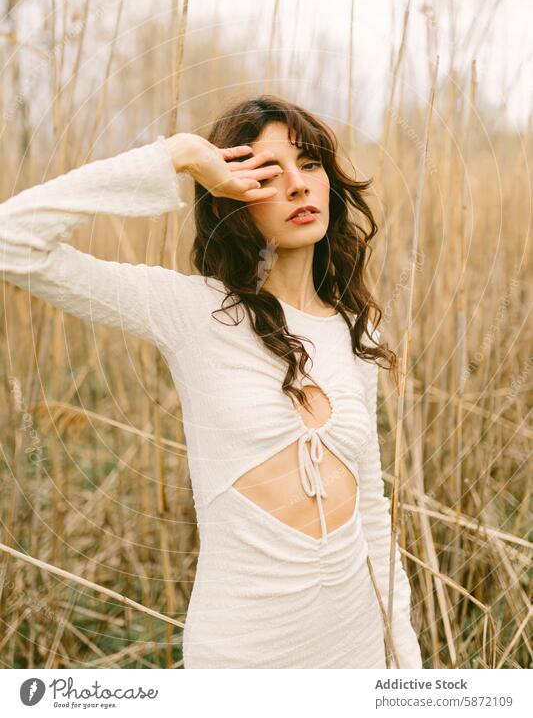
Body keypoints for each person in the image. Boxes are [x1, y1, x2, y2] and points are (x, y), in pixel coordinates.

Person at [0, 94, 423, 669]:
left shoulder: (356, 328)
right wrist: (178, 156)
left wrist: (406, 667)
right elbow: (12, 243)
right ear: (231, 193)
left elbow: (373, 510)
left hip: (355, 650)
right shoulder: (192, 313)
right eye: (268, 172)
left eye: (311, 164)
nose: (298, 186)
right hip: (243, 656)